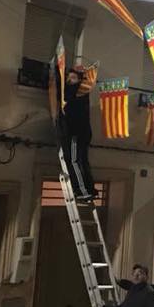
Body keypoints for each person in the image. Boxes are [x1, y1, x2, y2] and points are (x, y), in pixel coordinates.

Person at [58, 63, 97, 203]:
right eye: (69, 77)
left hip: (76, 133)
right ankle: (89, 189)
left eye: (73, 77)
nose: (69, 80)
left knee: (74, 161)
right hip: (83, 132)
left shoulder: (76, 91)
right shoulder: (82, 92)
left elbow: (66, 94)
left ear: (79, 79)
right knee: (82, 161)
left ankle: (82, 191)